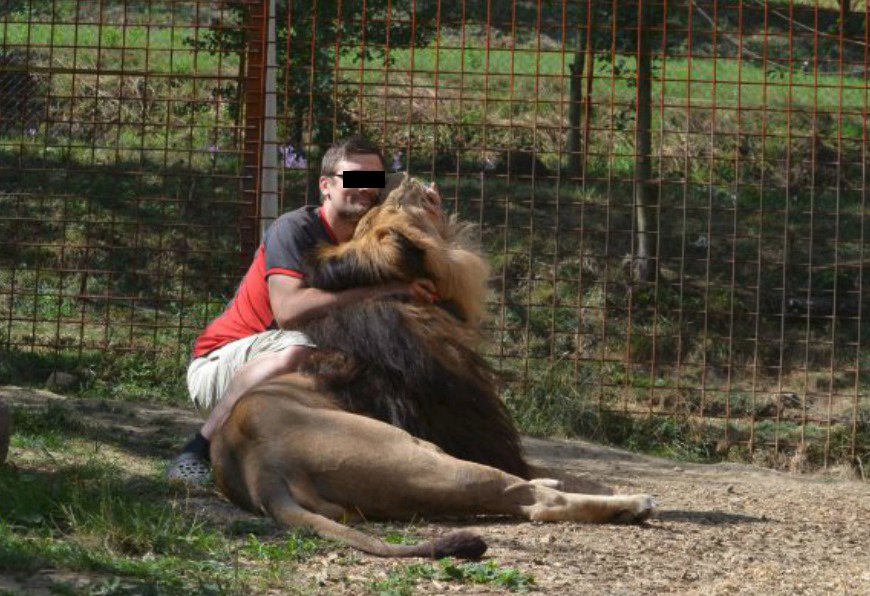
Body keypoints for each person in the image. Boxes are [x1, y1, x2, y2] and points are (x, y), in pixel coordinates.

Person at [166, 136, 439, 485]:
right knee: (298, 346)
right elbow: (290, 311)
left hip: (300, 366)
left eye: (374, 181)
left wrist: (429, 219)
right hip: (225, 367)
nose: (365, 189)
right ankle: (196, 450)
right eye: (353, 179)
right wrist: (385, 290)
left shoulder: (372, 239)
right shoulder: (294, 229)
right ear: (325, 185)